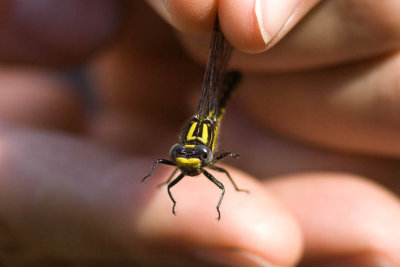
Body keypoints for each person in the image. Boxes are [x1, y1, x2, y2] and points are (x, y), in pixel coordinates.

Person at [0, 0, 399, 266]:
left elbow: (222, 180)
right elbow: (175, 177)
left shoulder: (206, 155)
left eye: (194, 158)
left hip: (217, 85)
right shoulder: (179, 160)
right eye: (184, 157)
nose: (189, 161)